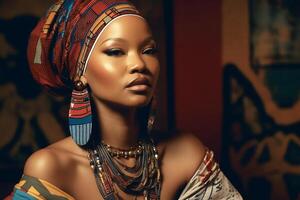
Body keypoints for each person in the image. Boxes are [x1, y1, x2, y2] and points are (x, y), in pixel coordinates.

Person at [10, 0, 243, 199]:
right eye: (115, 52)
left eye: (148, 50)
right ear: (79, 70)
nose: (139, 64)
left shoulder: (187, 153)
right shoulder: (52, 168)